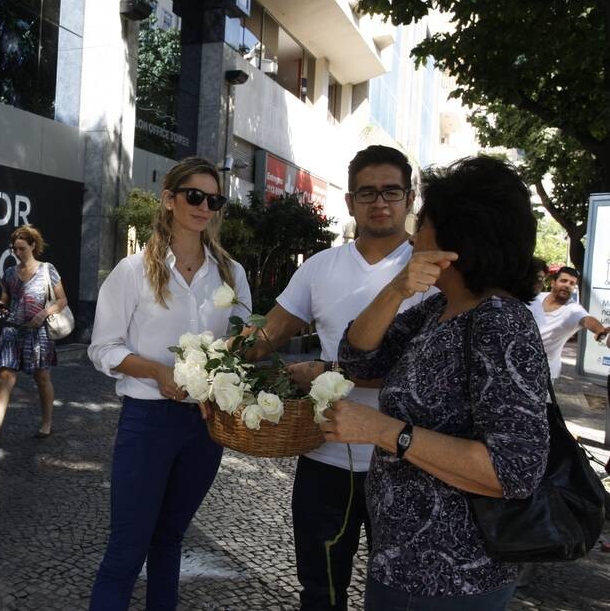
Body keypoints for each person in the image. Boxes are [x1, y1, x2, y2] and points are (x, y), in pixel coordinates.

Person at [324, 156, 550, 610]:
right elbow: (355, 357)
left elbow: (514, 471)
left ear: (456, 237)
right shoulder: (441, 309)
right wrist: (396, 289)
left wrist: (382, 431)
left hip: (452, 578)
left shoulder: (500, 323)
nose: (412, 233)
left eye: (421, 220)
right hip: (403, 564)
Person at [248, 145, 425, 611]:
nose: (380, 202)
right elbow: (269, 333)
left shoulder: (433, 270)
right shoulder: (320, 268)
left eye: (391, 191)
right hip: (327, 456)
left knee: (404, 595)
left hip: (413, 460)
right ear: (350, 202)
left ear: (409, 198)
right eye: (367, 192)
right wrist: (210, 365)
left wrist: (328, 372)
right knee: (321, 591)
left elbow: (427, 374)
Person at [87, 157, 251, 610]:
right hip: (147, 422)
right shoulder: (133, 271)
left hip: (205, 426)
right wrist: (157, 372)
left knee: (170, 540)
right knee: (126, 548)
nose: (203, 207)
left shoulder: (232, 274)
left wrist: (243, 352)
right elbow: (102, 348)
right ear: (170, 199)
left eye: (212, 199)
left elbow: (240, 347)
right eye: (193, 196)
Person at [0, 225, 68, 447]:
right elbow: (5, 298)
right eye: (14, 249)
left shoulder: (48, 269)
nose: (17, 253)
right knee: (4, 378)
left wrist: (45, 313)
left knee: (42, 378)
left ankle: (46, 423)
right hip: (12, 331)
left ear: (33, 245)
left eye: (21, 248)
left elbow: (62, 300)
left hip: (38, 333)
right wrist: (1, 305)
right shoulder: (9, 273)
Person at [527, 266, 609, 379]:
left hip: (542, 373)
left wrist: (600, 330)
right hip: (517, 362)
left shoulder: (573, 310)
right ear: (553, 283)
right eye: (563, 281)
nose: (567, 285)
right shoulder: (535, 298)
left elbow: (587, 320)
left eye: (572, 283)